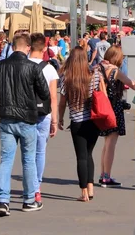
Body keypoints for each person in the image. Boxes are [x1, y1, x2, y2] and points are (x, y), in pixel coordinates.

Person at [0, 33, 49, 216]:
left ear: (12, 47)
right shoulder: (33, 67)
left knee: (6, 160)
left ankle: (3, 201)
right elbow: (44, 93)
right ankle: (29, 200)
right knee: (28, 160)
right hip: (27, 118)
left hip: (6, 118)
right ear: (28, 48)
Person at [57, 47, 102, 202]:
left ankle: (83, 192)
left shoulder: (66, 77)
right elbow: (101, 94)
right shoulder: (94, 75)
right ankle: (91, 188)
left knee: (81, 157)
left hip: (77, 121)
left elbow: (62, 102)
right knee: (89, 154)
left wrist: (60, 118)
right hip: (94, 120)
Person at [98, 46, 135, 187]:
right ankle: (106, 177)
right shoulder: (115, 71)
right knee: (111, 144)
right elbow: (133, 85)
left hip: (101, 107)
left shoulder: (99, 67)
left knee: (106, 143)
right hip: (114, 109)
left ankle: (103, 173)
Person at [28, 33, 59, 202]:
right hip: (43, 115)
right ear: (44, 48)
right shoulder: (49, 69)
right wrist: (55, 119)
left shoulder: (22, 65)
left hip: (24, 114)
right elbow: (53, 97)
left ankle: (29, 185)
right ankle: (36, 186)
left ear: (29, 46)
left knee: (27, 152)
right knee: (40, 152)